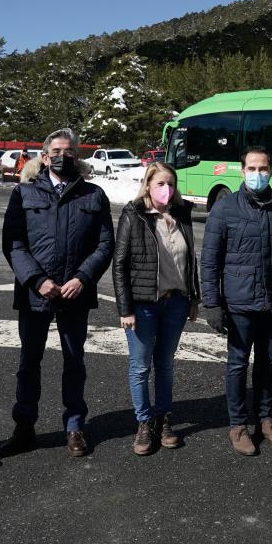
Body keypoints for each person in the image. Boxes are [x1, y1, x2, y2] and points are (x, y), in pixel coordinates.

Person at [0, 129, 114, 458]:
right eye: (56, 151)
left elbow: (105, 244)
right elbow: (14, 243)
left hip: (74, 293)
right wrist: (36, 280)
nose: (62, 156)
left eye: (69, 151)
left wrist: (83, 278)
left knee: (74, 361)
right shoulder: (23, 194)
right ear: (45, 156)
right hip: (36, 294)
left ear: (76, 156)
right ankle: (24, 426)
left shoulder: (94, 195)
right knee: (29, 363)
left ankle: (75, 426)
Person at [200, 146, 272, 456]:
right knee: (237, 364)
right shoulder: (225, 207)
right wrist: (212, 304)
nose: (258, 174)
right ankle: (238, 424)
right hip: (239, 302)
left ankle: (265, 420)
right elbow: (209, 259)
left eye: (264, 168)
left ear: (271, 170)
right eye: (252, 168)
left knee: (267, 362)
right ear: (242, 171)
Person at [113, 162, 200, 455]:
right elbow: (120, 264)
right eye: (160, 183)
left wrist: (193, 297)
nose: (167, 189)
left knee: (165, 365)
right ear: (148, 184)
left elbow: (190, 261)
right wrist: (125, 309)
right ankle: (143, 422)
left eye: (171, 184)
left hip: (176, 302)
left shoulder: (182, 213)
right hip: (143, 305)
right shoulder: (134, 214)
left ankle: (163, 419)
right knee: (140, 366)